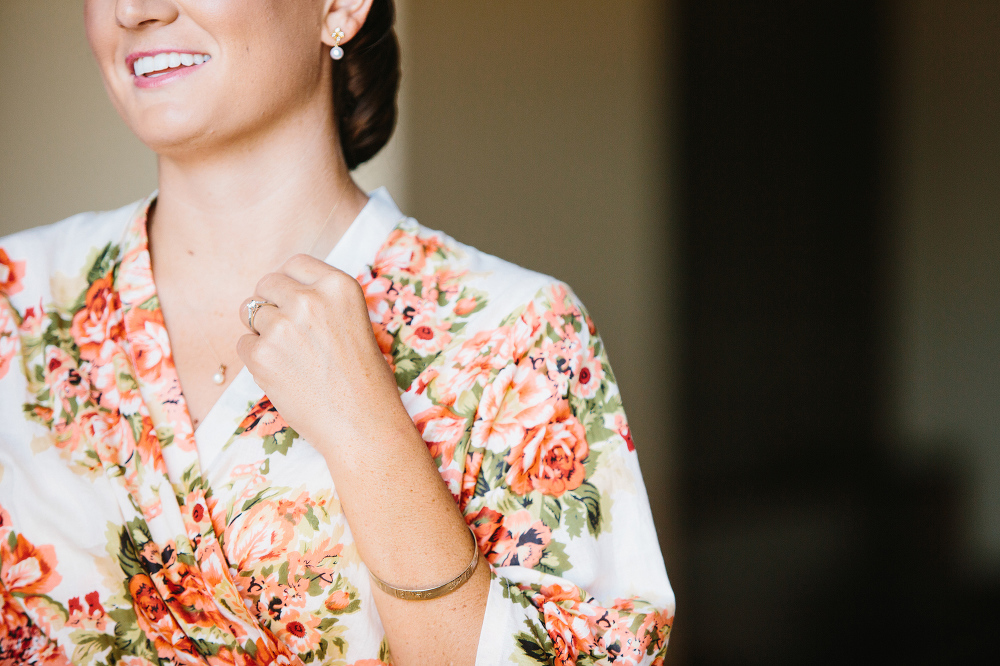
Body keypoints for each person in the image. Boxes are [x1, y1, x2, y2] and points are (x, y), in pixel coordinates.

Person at [0, 0, 675, 664]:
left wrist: (369, 433)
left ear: (341, 6)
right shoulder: (15, 300)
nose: (134, 9)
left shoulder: (516, 336)